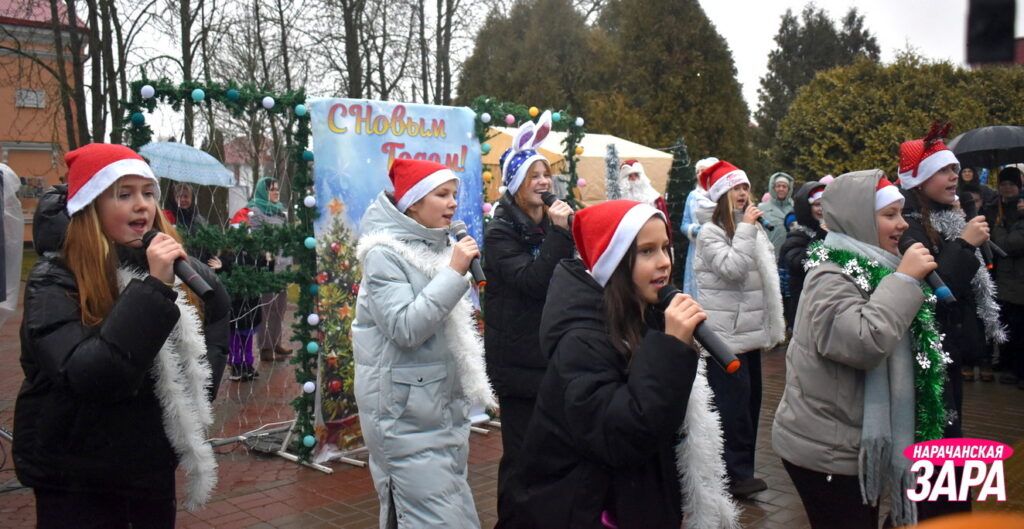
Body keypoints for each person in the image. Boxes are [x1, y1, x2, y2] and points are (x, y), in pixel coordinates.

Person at [13, 144, 230, 528]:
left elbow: (215, 316)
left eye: (148, 193)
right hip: (77, 475)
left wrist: (193, 386)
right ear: (92, 206)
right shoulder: (54, 281)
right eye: (124, 194)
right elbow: (91, 374)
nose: (142, 205)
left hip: (148, 469)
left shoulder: (170, 266)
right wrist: (153, 291)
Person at [512, 200, 738, 529]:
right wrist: (671, 349)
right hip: (594, 511)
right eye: (646, 252)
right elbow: (622, 435)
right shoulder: (579, 342)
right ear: (613, 262)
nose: (664, 263)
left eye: (665, 248)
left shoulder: (642, 316)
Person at [772, 171, 939, 529]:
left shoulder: (876, 265)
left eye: (901, 214)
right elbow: (861, 342)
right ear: (859, 218)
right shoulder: (830, 273)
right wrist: (906, 281)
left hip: (849, 444)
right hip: (825, 451)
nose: (901, 226)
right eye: (889, 215)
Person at [353, 158, 495, 529]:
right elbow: (405, 327)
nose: (452, 203)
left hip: (438, 411)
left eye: (455, 195)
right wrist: (453, 273)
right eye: (442, 194)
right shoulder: (383, 254)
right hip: (403, 416)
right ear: (413, 202)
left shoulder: (437, 245)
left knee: (447, 513)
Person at [897, 124, 1006, 520]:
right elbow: (934, 289)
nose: (953, 177)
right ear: (920, 179)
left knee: (949, 439)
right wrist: (964, 245)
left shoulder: (950, 217)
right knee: (933, 439)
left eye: (954, 169)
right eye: (943, 170)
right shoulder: (906, 224)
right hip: (925, 354)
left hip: (949, 352)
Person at [484, 113, 576, 528]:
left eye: (546, 174)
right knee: (521, 457)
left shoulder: (551, 225)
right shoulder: (500, 231)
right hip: (518, 364)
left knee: (550, 451)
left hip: (551, 357)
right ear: (514, 185)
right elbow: (533, 282)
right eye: (532, 176)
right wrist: (560, 235)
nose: (544, 182)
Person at [694, 160, 785, 497]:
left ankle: (742, 471)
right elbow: (732, 269)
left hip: (750, 336)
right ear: (721, 196)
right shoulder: (710, 232)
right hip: (724, 338)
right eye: (737, 188)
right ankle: (733, 476)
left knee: (749, 407)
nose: (744, 194)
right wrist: (747, 229)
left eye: (746, 187)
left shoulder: (749, 229)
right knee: (731, 410)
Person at [246, 177, 293, 362]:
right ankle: (265, 348)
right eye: (272, 189)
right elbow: (255, 239)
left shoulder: (280, 212)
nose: (275, 192)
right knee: (267, 308)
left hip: (283, 267)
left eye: (276, 189)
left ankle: (276, 342)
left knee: (280, 308)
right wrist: (266, 254)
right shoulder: (255, 211)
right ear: (263, 191)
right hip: (267, 268)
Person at [988, 167, 1024, 389]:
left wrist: (999, 229)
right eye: (1003, 184)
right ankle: (1008, 364)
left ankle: (1019, 369)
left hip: (1019, 279)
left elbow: (1010, 244)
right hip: (1001, 278)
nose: (1007, 188)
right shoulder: (995, 208)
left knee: (1020, 326)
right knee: (1005, 322)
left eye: (1011, 184)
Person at [779, 181, 827, 329]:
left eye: (824, 204)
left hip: (826, 302)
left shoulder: (833, 231)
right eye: (817, 204)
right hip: (804, 307)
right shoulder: (797, 235)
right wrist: (821, 236)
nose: (821, 209)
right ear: (806, 208)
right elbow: (801, 264)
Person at [679, 157, 719, 297]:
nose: (700, 174)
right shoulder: (692, 196)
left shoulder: (720, 195)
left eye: (704, 171)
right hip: (696, 249)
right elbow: (684, 224)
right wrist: (694, 230)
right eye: (698, 171)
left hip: (717, 247)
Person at [758, 171, 795, 255]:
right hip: (769, 255)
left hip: (791, 256)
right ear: (773, 188)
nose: (781, 189)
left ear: (789, 189)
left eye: (784, 186)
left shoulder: (795, 208)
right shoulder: (762, 208)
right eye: (778, 186)